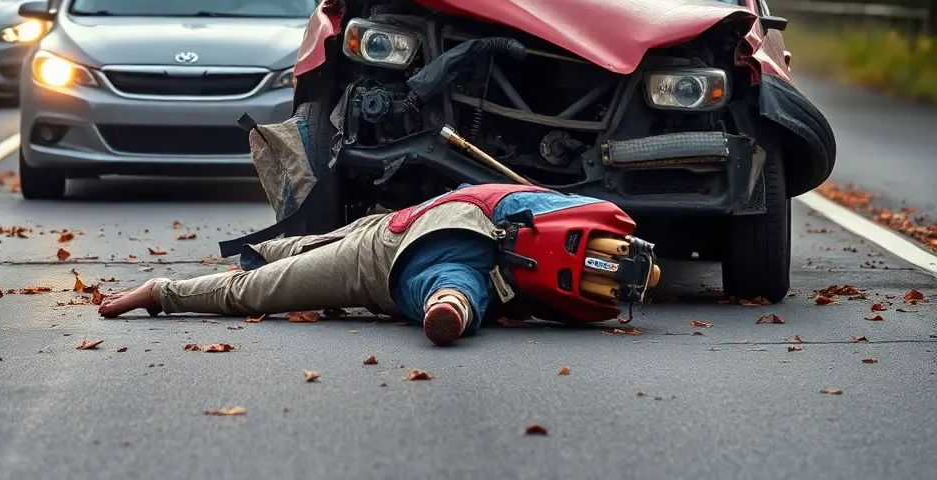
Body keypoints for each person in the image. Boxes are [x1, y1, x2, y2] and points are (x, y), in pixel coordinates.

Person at [99, 182, 660, 345]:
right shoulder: (570, 302)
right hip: (390, 254)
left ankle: (190, 280)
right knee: (264, 288)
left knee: (296, 257)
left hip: (412, 223)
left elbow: (456, 298)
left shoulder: (566, 210)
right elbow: (466, 304)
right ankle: (163, 291)